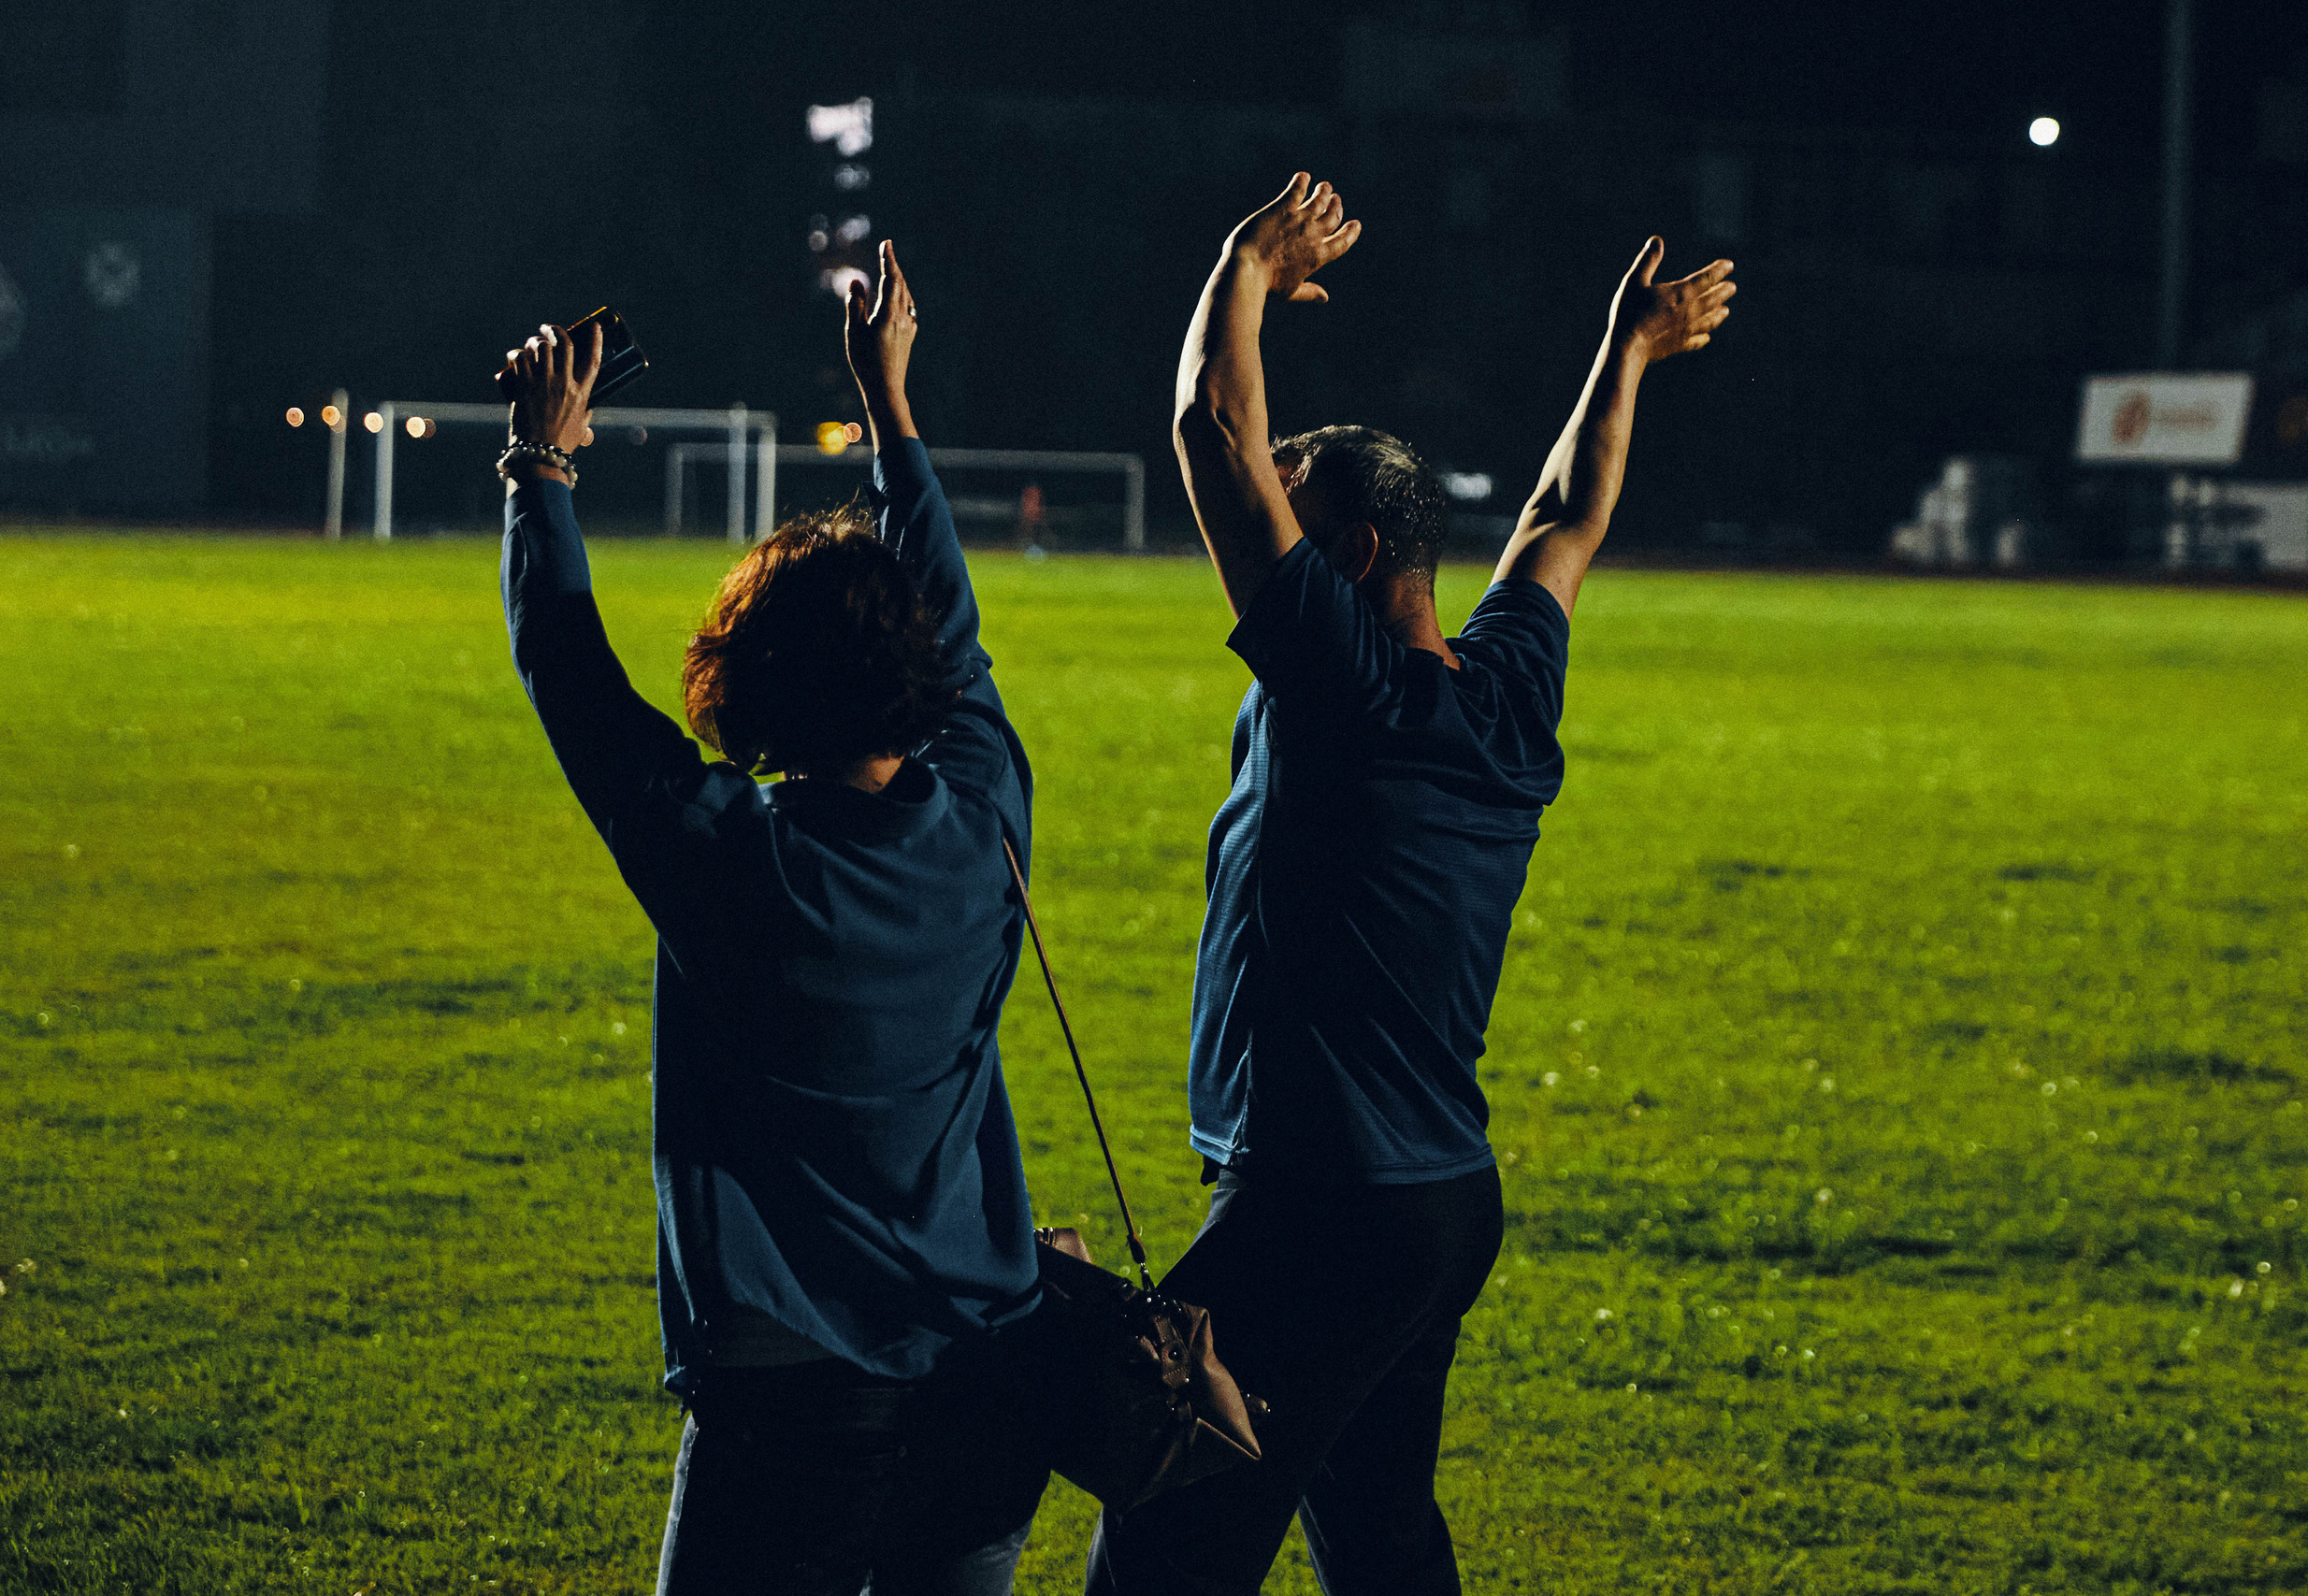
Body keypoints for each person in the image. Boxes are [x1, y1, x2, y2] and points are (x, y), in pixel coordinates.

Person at [1086, 174, 1736, 1594]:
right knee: (1379, 1535)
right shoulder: (1503, 696)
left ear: (1356, 558)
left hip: (1322, 1206)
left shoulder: (1345, 692)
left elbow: (1211, 432)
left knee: (1165, 1546)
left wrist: (1243, 268)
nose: (1262, 525)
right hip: (1438, 1205)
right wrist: (1620, 354)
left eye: (1294, 516)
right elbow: (1563, 516)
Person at [496, 239, 1049, 1595]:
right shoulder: (985, 808)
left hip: (796, 1406)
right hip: (994, 1383)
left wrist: (541, 469)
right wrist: (891, 407)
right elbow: (960, 637)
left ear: (742, 681)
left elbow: (570, 672)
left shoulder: (730, 862)